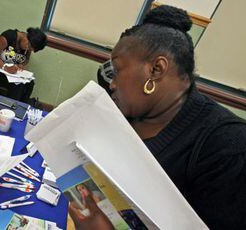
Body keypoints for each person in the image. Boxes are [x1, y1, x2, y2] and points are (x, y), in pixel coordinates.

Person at [91, 5, 245, 229]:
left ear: (156, 69)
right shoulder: (132, 114)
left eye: (118, 70)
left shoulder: (228, 148)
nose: (112, 84)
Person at [0, 28, 47, 102]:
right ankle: (10, 108)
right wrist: (5, 67)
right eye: (28, 47)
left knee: (30, 83)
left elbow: (26, 59)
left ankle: (22, 106)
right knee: (18, 85)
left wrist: (21, 64)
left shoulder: (28, 46)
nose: (27, 49)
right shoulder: (8, 37)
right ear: (26, 37)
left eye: (30, 49)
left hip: (13, 73)